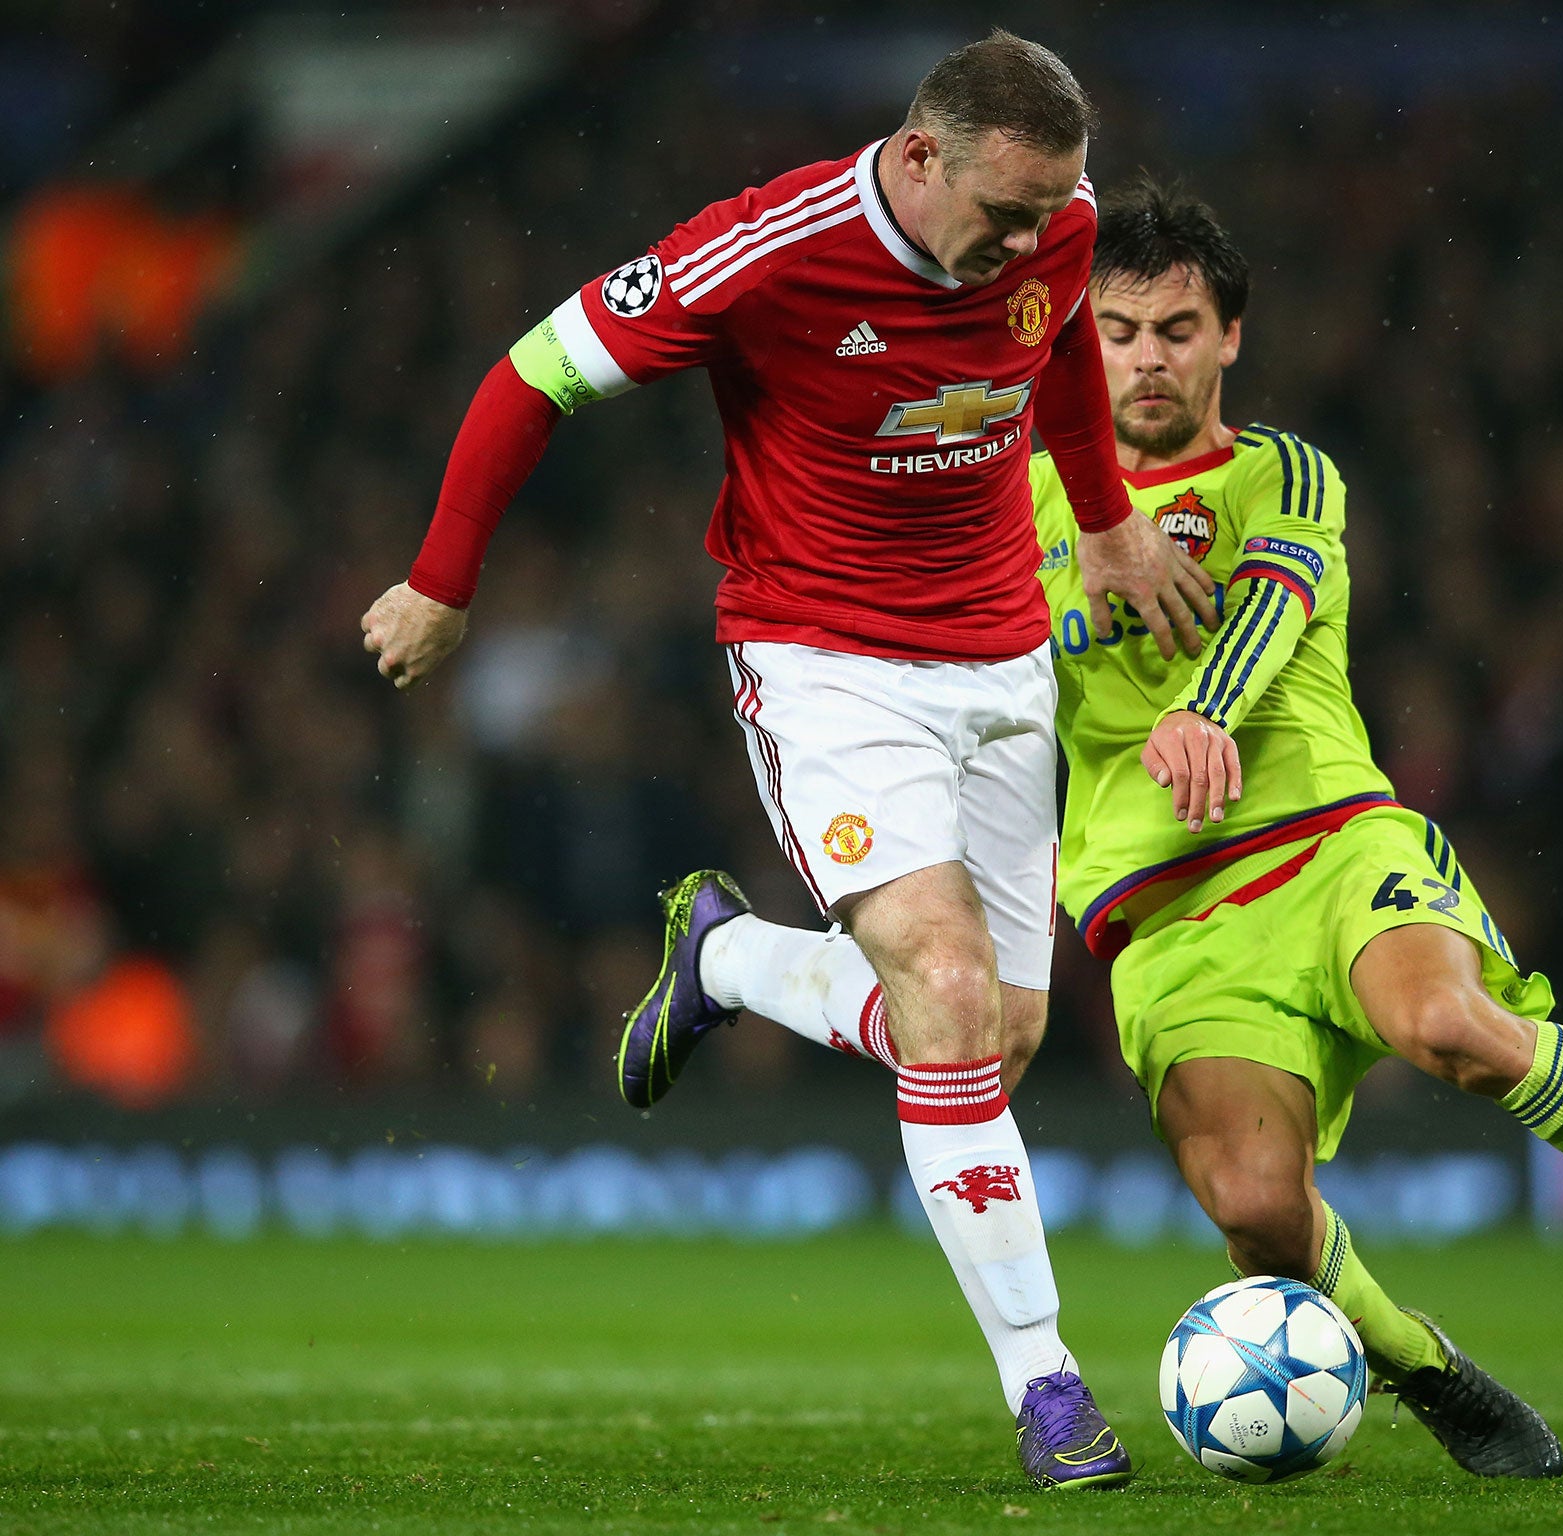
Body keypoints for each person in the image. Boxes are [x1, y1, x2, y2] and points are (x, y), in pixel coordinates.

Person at [643, 175, 1563, 1480]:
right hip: (1160, 921)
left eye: (1177, 329)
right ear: (1069, 342)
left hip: (1331, 849)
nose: (1147, 360)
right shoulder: (1011, 506)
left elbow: (1272, 603)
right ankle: (1431, 1371)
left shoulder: (1289, 474)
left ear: (1229, 336)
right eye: (1116, 332)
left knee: (1451, 1029)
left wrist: (1206, 707)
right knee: (1264, 1217)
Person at [360, 32, 1223, 1492]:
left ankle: (735, 964)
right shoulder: (765, 252)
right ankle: (1051, 1388)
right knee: (946, 1001)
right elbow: (533, 374)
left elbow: (1064, 338)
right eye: (1006, 211)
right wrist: (444, 581)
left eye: (1049, 213)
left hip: (1004, 655)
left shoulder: (1057, 227)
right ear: (918, 156)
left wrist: (1111, 515)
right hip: (826, 659)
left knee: (994, 1041)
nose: (1035, 240)